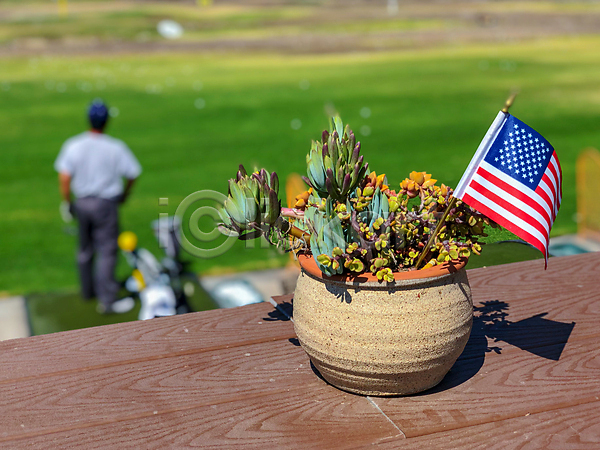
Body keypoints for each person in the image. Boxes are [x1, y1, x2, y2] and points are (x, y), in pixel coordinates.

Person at [54, 99, 142, 314]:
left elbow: (64, 177)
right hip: (105, 204)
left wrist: (67, 203)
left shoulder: (73, 144)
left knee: (84, 249)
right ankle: (108, 300)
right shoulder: (115, 147)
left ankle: (87, 291)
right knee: (107, 250)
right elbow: (133, 173)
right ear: (106, 121)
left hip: (82, 203)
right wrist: (124, 194)